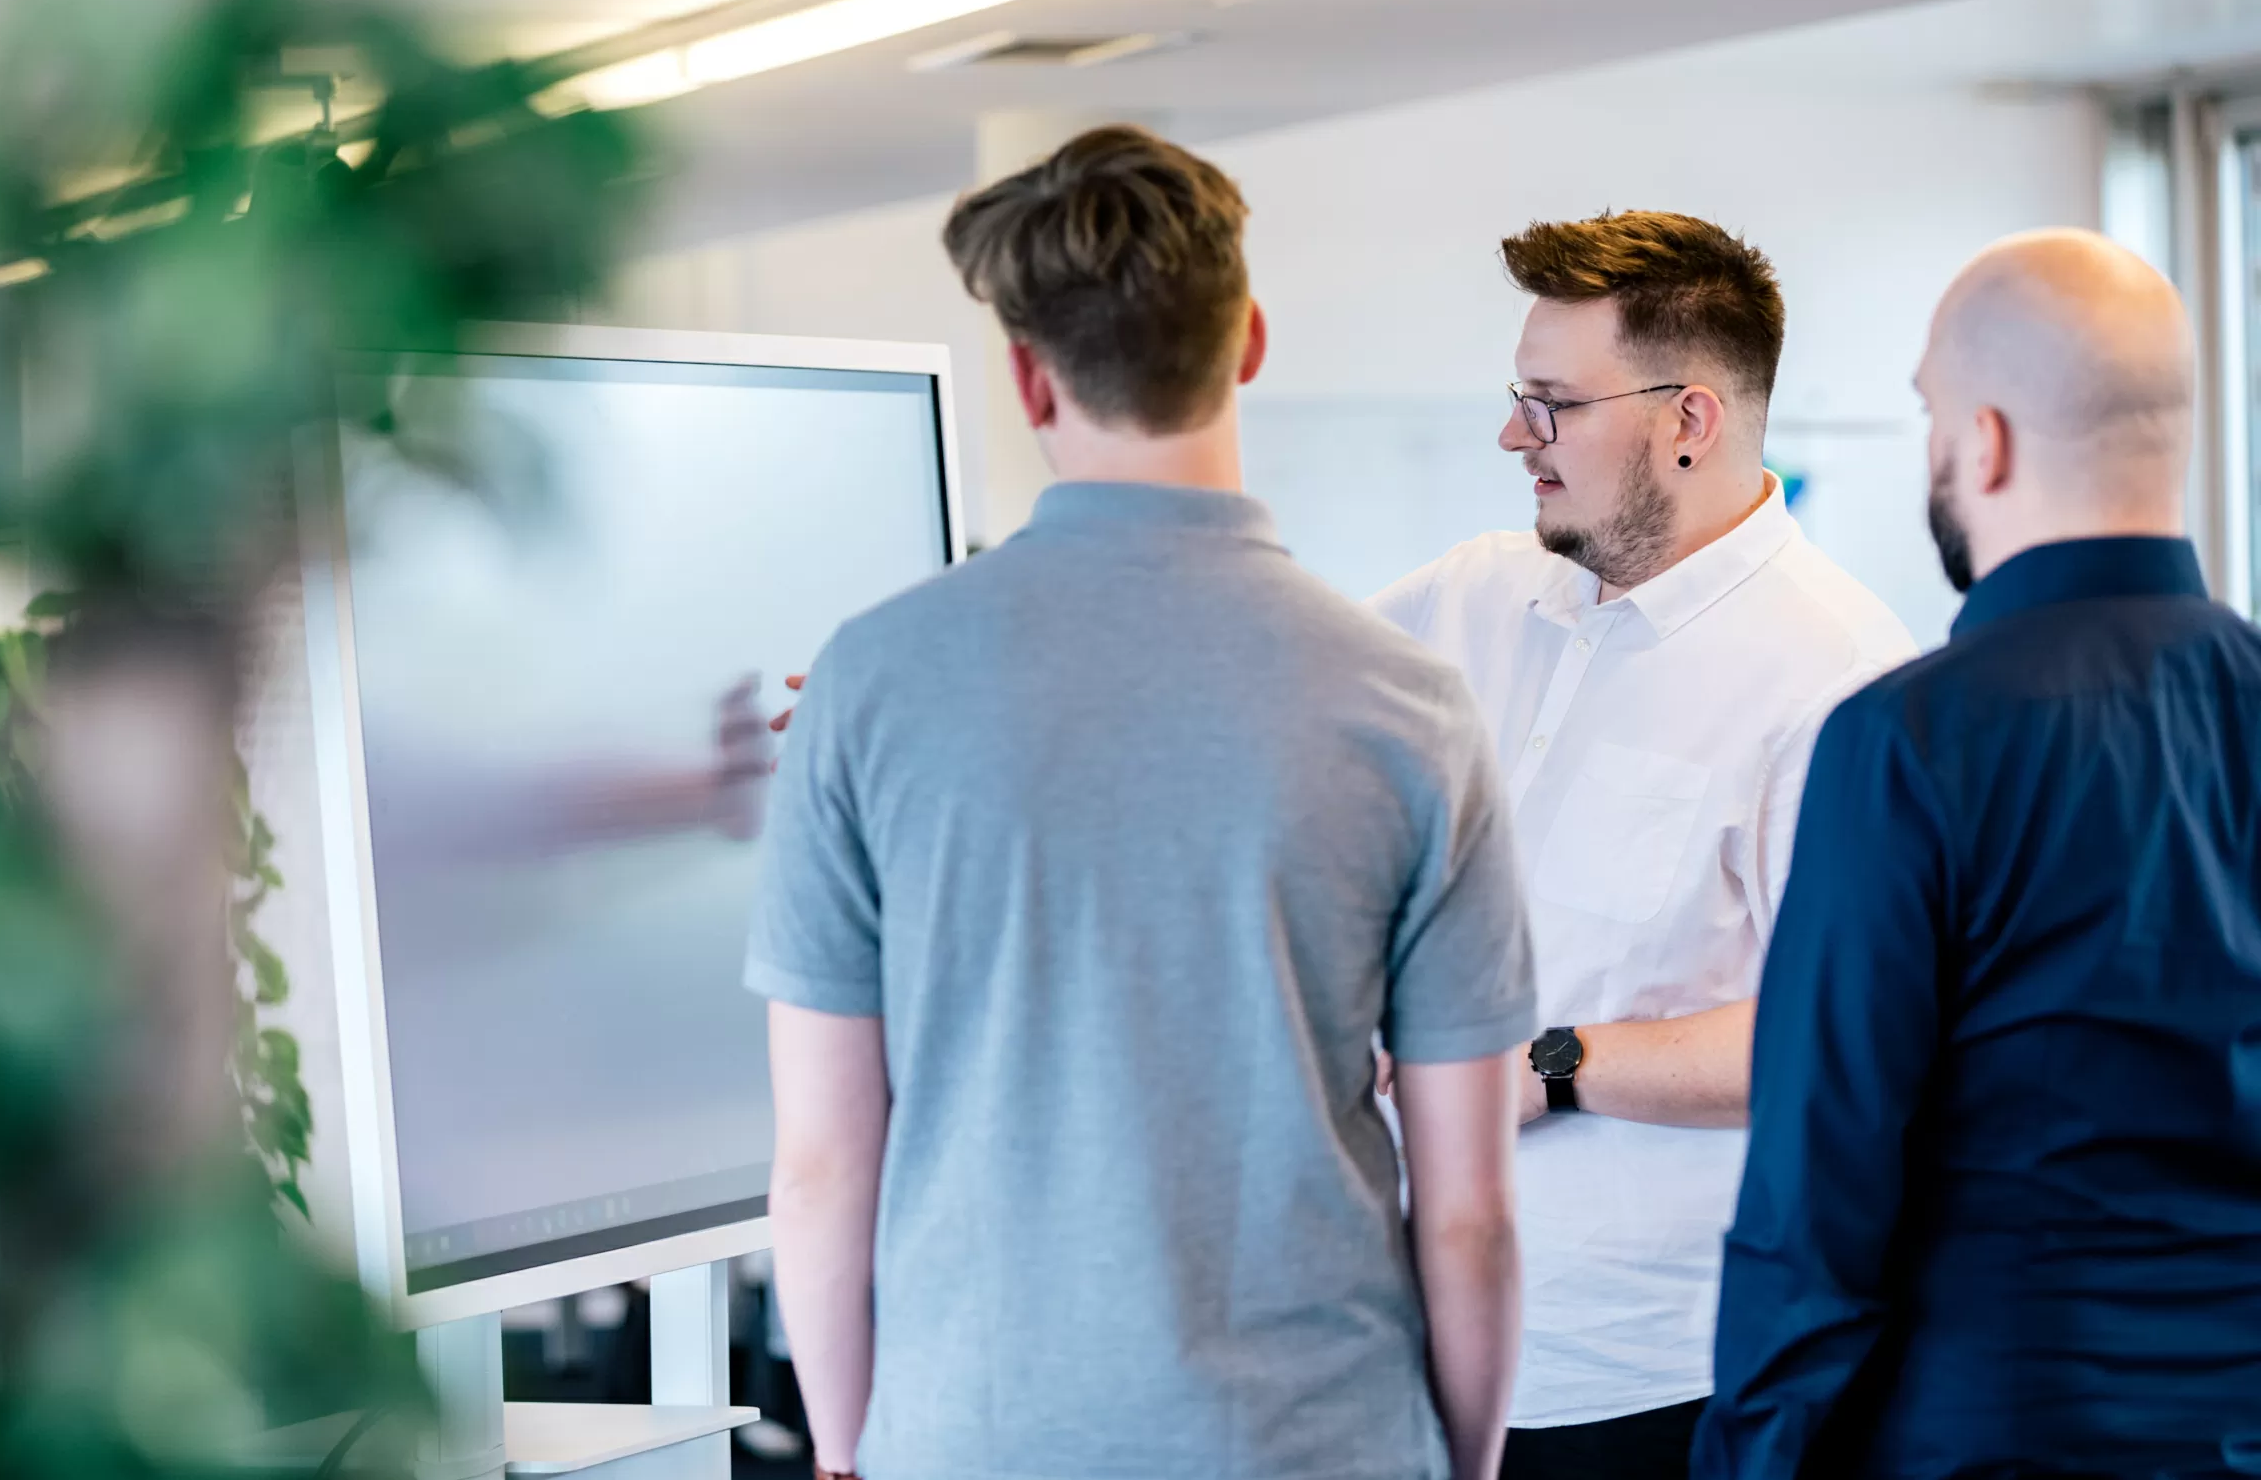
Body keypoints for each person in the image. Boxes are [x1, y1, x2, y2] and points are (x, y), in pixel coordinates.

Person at [747, 126, 1537, 1480]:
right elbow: (1467, 1209)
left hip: (978, 1438)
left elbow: (823, 1163)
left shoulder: (867, 686)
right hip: (1319, 1438)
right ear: (1250, 342)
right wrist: (1454, 1462)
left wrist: (845, 1447)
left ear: (1025, 375)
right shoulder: (1409, 706)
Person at [1697, 229, 2261, 1478]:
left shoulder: (1908, 739)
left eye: (1932, 416)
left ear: (1985, 440)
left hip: (1997, 1436)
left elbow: (1819, 1190)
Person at [1370, 212, 1918, 1478]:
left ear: (1688, 419)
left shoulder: (1841, 680)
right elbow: (1239, 679)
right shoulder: (1480, 594)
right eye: (1520, 397)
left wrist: (1542, 1065)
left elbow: (1843, 1032)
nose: (1516, 435)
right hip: (1427, 1347)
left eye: (1552, 403)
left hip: (1656, 1384)